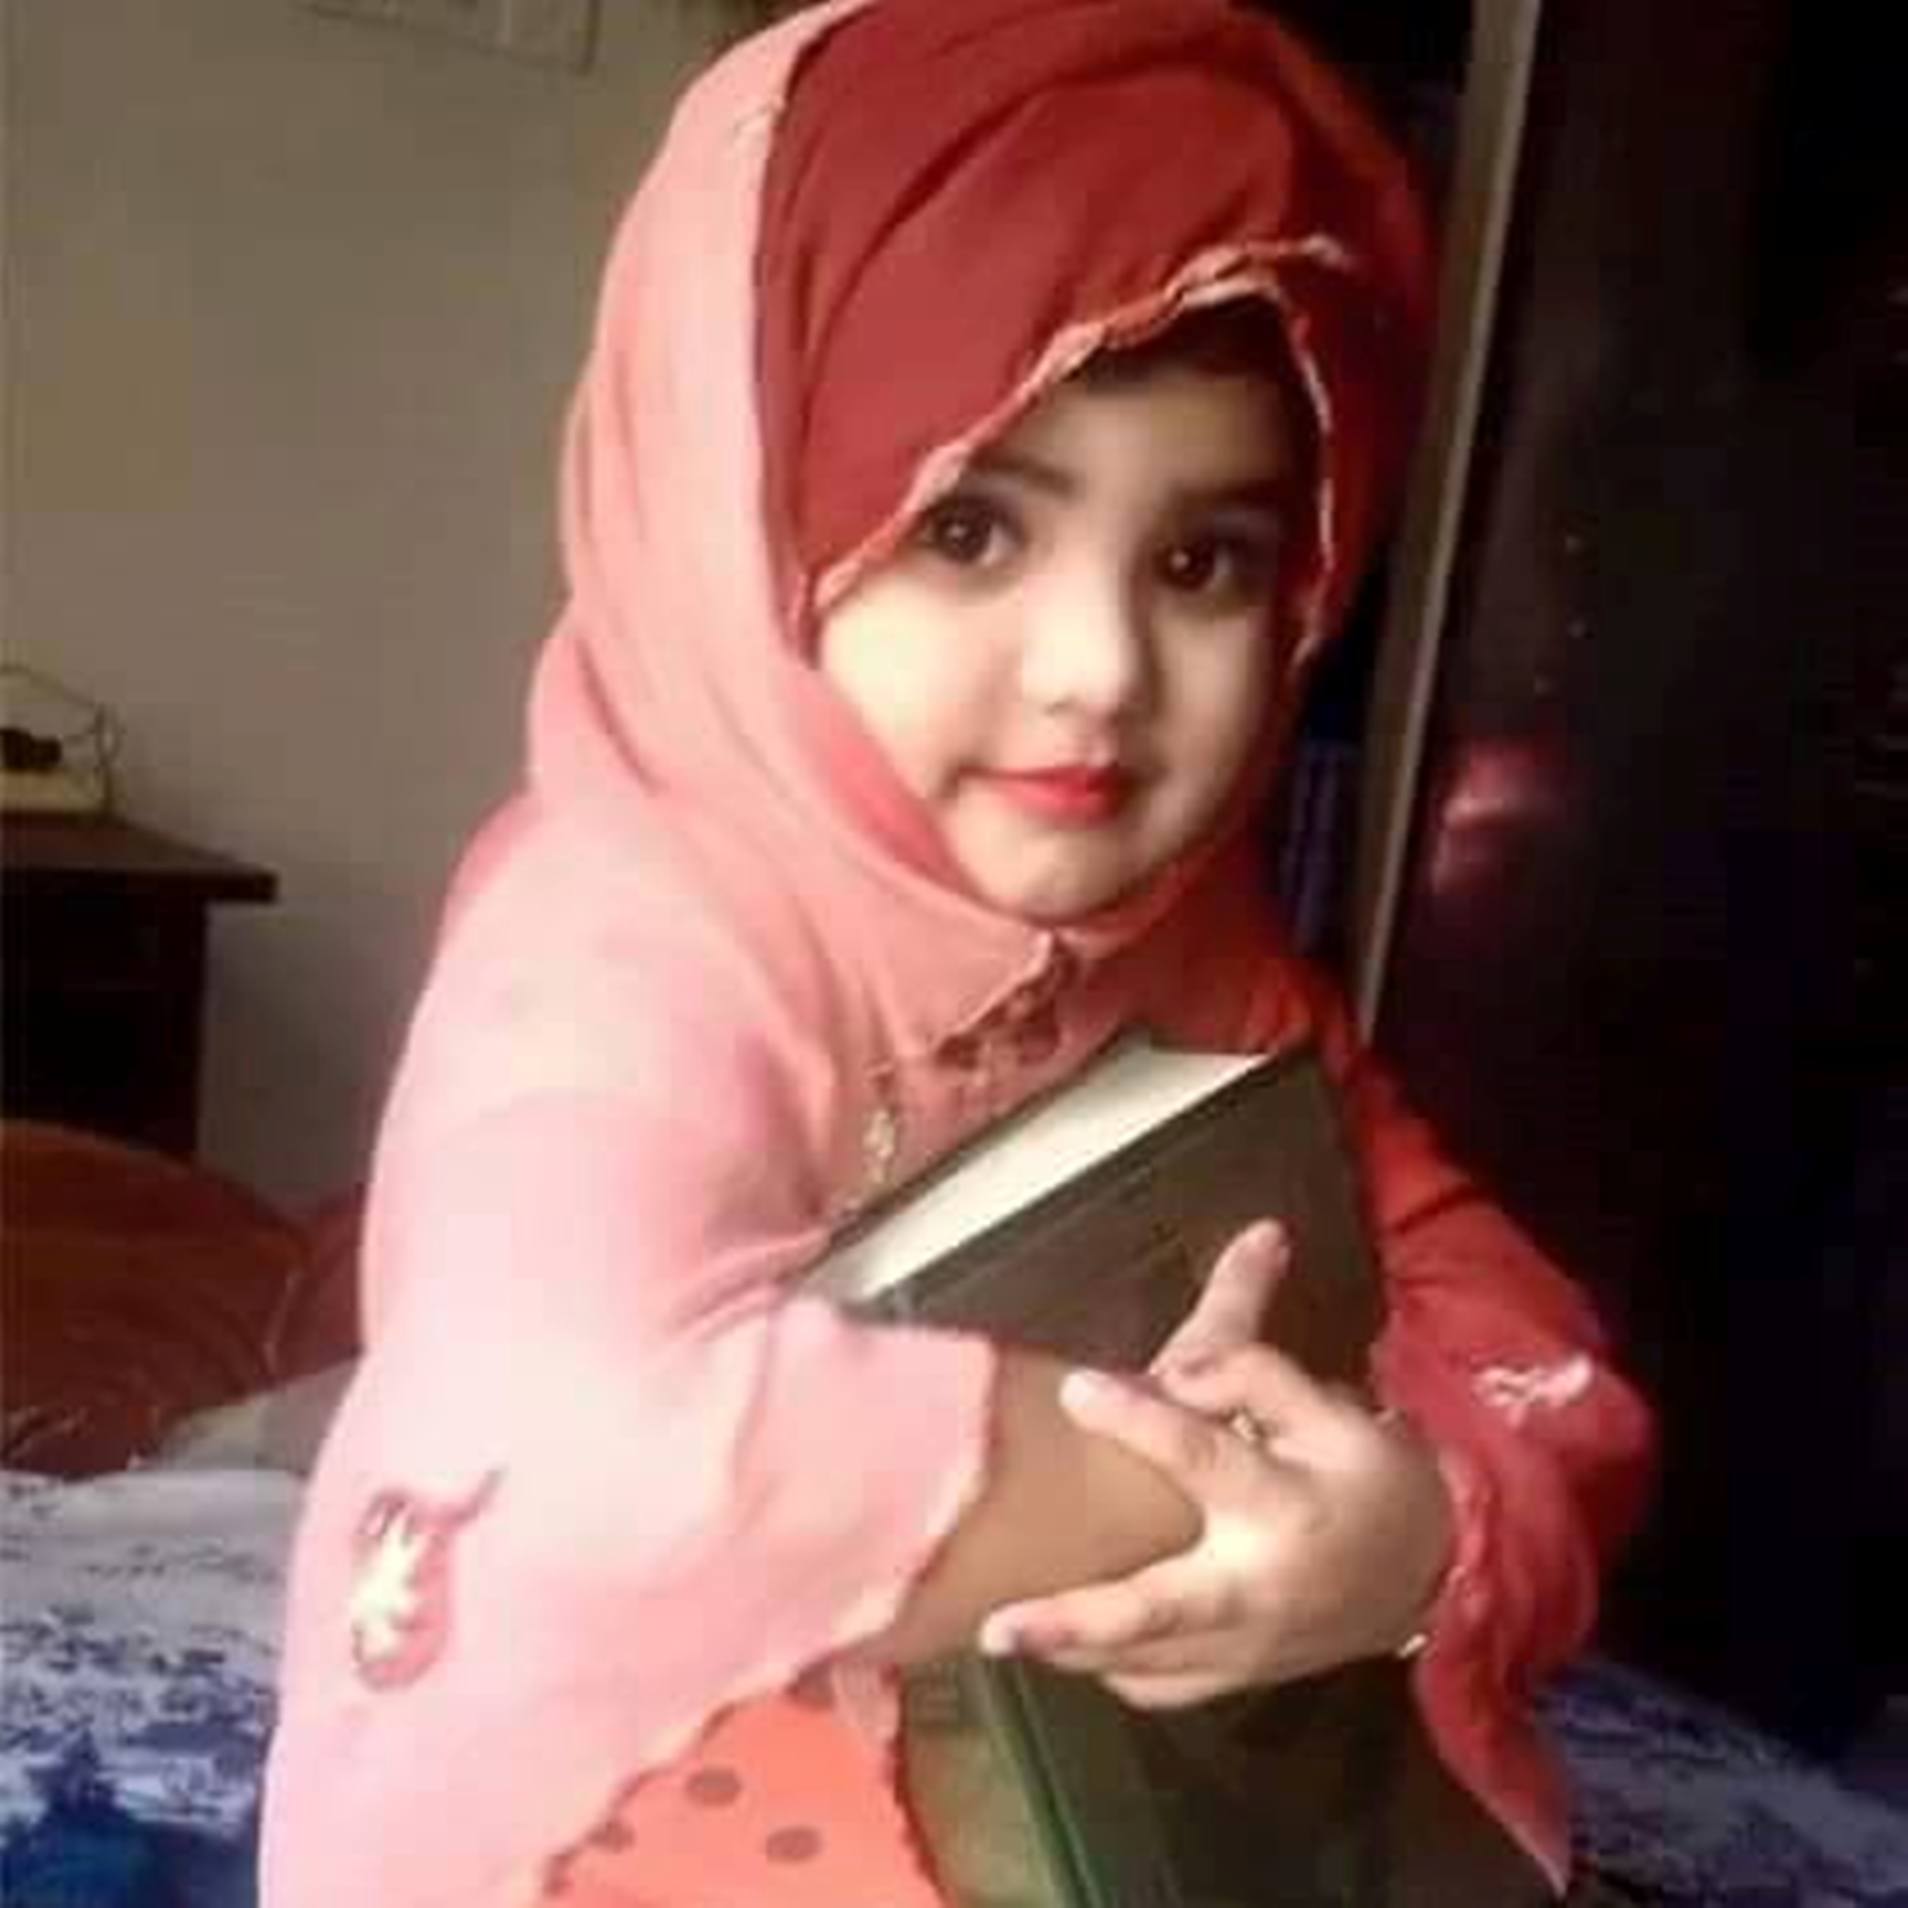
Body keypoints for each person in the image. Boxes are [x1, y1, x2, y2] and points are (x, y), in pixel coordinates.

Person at [260, 2, 1653, 1903]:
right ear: (740, 510)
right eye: (973, 530)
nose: (1098, 670)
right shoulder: (626, 948)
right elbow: (576, 1453)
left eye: (1205, 563)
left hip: (1086, 1808)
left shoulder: (1203, 960)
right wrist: (1196, 1496)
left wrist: (1408, 1535)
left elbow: (1509, 1330)